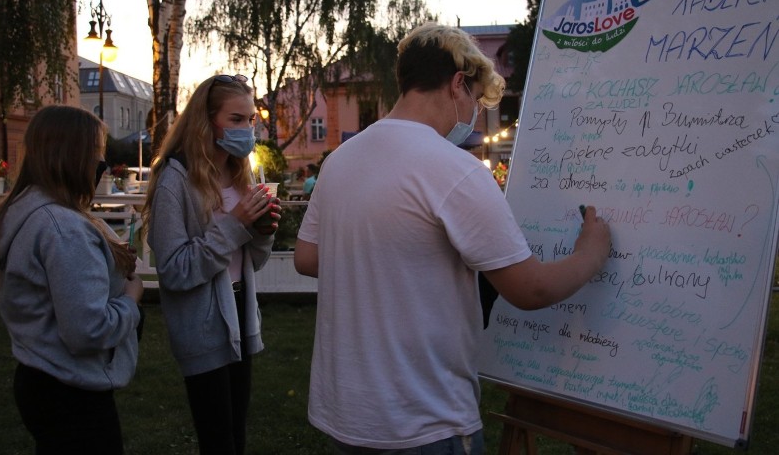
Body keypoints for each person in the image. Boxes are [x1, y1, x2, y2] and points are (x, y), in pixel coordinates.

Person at [294, 22, 611, 454]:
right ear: (457, 84)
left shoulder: (341, 160)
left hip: (348, 416)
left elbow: (308, 257)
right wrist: (590, 254)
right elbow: (531, 288)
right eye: (476, 99)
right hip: (427, 422)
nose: (474, 112)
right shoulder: (454, 169)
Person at [0, 105, 144, 455]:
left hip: (42, 380)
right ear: (73, 156)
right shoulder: (62, 228)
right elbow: (88, 331)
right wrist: (131, 300)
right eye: (97, 153)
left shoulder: (29, 212)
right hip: (72, 393)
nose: (102, 164)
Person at [143, 73, 281, 455]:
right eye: (236, 119)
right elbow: (173, 270)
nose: (247, 128)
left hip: (240, 314)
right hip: (202, 323)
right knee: (218, 441)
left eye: (251, 119)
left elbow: (252, 260)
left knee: (236, 435)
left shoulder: (240, 172)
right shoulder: (175, 180)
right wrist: (236, 225)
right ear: (208, 120)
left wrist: (263, 230)